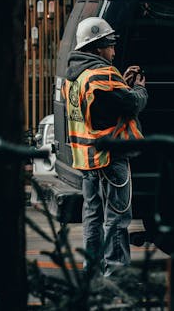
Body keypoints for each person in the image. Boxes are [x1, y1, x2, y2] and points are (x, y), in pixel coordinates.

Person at [62, 17, 147, 276]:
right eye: (110, 45)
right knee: (117, 218)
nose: (113, 51)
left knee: (92, 216)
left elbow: (104, 105)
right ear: (97, 47)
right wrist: (140, 89)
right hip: (110, 159)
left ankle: (92, 271)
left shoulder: (75, 76)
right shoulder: (102, 74)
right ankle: (118, 274)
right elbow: (130, 104)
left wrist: (123, 81)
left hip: (86, 159)